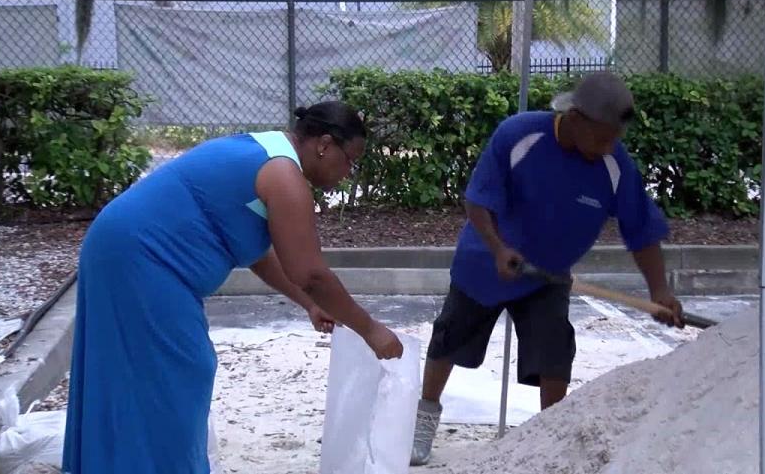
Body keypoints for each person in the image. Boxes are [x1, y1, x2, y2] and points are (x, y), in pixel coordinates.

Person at [62, 101, 404, 474]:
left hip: (127, 251)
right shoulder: (284, 175)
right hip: (139, 260)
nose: (348, 173)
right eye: (350, 160)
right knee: (177, 375)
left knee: (145, 378)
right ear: (324, 144)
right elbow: (312, 274)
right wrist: (370, 329)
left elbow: (257, 253)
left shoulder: (270, 153)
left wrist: (308, 304)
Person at [409, 72, 684, 466]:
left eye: (615, 139)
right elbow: (477, 202)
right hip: (487, 263)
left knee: (555, 354)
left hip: (548, 276)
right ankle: (425, 416)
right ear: (575, 118)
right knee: (448, 339)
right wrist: (498, 248)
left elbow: (641, 231)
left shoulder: (614, 165)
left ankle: (552, 436)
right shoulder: (519, 135)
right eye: (602, 137)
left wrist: (659, 291)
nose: (609, 147)